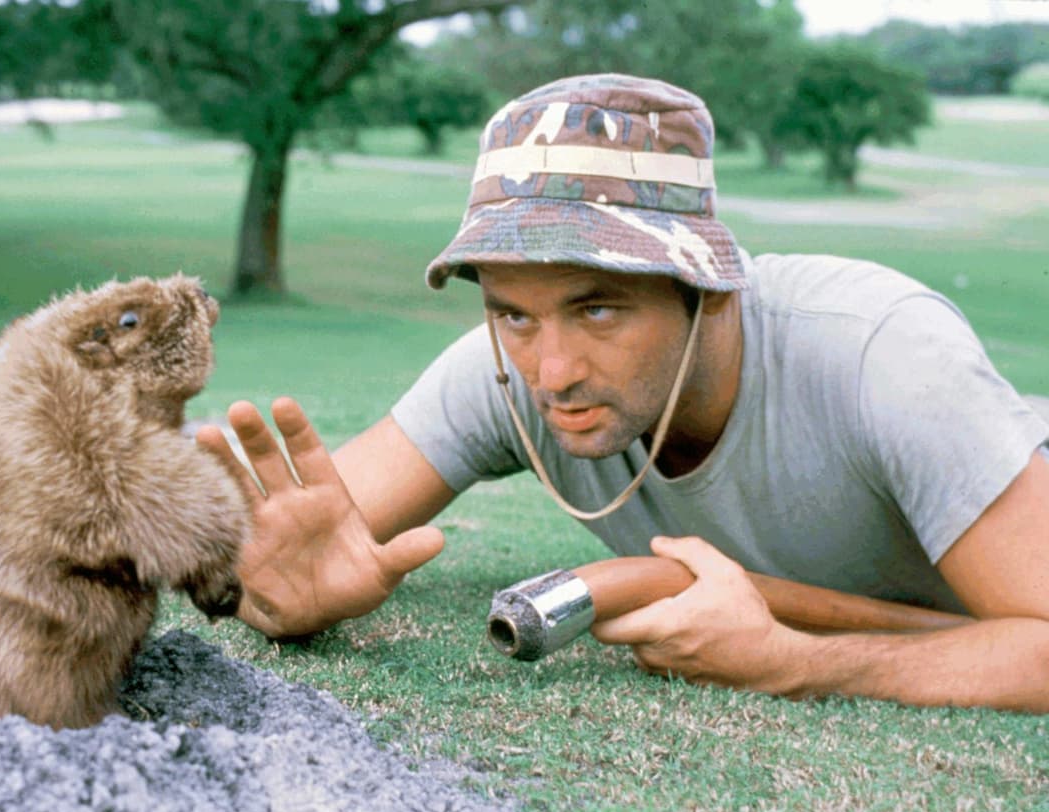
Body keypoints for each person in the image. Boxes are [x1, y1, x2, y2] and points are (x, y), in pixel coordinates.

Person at [196, 74, 1049, 713]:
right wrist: (268, 591)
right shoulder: (509, 364)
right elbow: (317, 536)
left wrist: (798, 662)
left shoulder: (886, 359)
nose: (552, 370)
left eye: (597, 307)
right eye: (513, 314)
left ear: (708, 286)